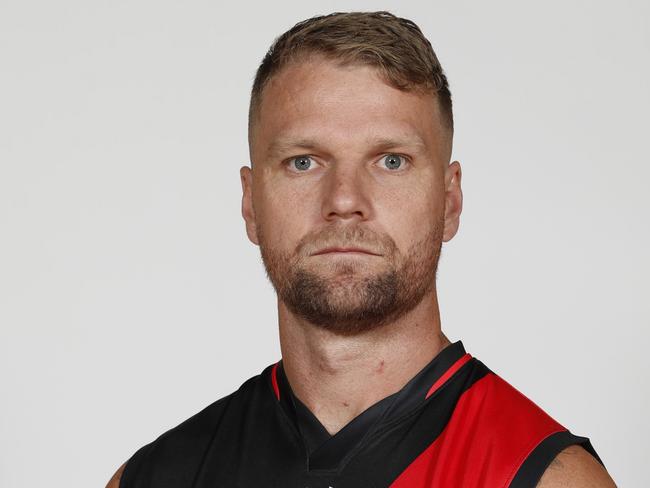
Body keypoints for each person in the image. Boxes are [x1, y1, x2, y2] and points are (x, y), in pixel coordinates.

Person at [106, 11, 616, 488]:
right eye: (304, 162)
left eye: (390, 161)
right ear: (250, 203)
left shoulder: (542, 476)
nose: (345, 201)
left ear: (449, 201)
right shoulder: (156, 477)